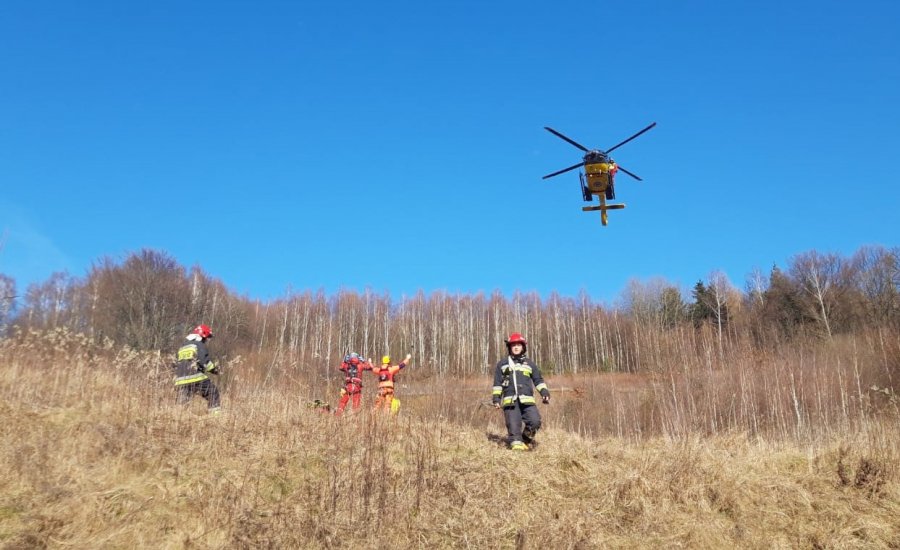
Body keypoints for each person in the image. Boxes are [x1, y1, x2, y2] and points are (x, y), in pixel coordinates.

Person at [492, 332, 549, 450]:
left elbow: (538, 380)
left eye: (519, 345)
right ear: (509, 347)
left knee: (535, 422)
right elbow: (497, 384)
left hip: (527, 400)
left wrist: (544, 393)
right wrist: (496, 399)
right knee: (514, 428)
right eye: (513, 345)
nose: (516, 347)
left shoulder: (530, 364)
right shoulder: (502, 364)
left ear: (523, 347)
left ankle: (526, 439)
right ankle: (516, 451)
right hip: (510, 402)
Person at [173, 324, 221, 414]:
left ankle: (178, 417)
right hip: (195, 377)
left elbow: (175, 364)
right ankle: (215, 418)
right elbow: (204, 361)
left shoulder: (182, 346)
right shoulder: (199, 345)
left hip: (180, 379)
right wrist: (215, 370)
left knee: (182, 403)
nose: (207, 340)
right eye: (207, 337)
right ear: (203, 336)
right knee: (213, 392)